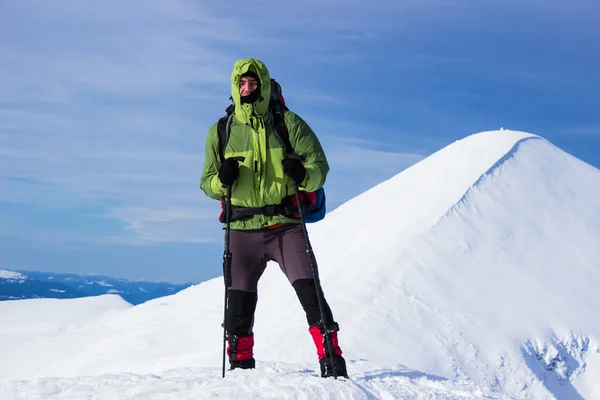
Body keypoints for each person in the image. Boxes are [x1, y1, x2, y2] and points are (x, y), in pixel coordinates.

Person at [200, 58, 347, 378]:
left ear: (263, 86)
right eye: (242, 84)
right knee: (238, 304)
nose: (247, 89)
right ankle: (240, 369)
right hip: (241, 228)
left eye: (253, 84)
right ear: (234, 88)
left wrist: (303, 175)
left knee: (312, 295)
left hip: (286, 226)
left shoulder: (289, 124)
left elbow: (319, 168)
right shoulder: (221, 131)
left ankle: (332, 361)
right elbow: (207, 183)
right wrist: (221, 179)